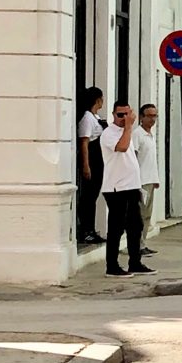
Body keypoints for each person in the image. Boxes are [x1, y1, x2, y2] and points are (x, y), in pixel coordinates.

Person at [99, 104, 155, 277]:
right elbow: (122, 148)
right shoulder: (109, 133)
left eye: (126, 114)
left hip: (131, 186)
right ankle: (112, 266)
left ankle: (135, 262)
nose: (123, 118)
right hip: (116, 187)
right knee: (116, 227)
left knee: (135, 225)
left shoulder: (128, 132)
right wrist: (129, 127)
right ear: (113, 114)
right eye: (120, 114)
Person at [77, 86, 107, 245]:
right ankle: (86, 230)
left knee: (94, 195)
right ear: (97, 100)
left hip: (99, 159)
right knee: (88, 197)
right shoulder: (87, 118)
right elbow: (84, 142)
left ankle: (91, 229)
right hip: (92, 158)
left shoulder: (96, 117)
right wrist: (86, 165)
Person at [135, 104, 160, 257]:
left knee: (147, 216)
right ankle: (137, 245)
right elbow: (134, 157)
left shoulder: (150, 135)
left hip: (150, 180)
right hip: (141, 181)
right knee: (140, 215)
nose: (152, 119)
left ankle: (142, 243)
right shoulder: (137, 134)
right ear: (142, 117)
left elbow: (151, 160)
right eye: (149, 115)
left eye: (154, 116)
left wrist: (155, 178)